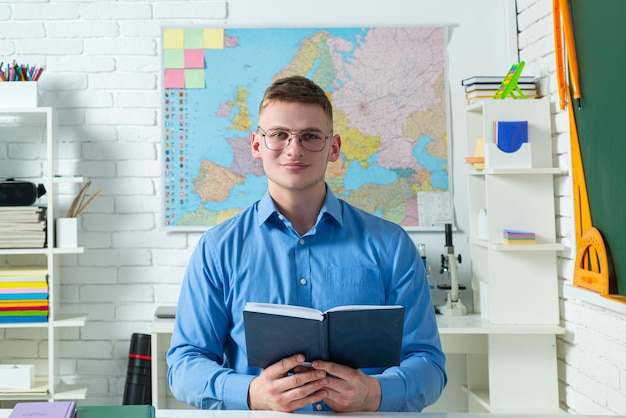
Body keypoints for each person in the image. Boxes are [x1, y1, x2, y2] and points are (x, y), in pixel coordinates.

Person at [167, 75, 447, 412]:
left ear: (334, 148)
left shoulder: (391, 245)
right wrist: (251, 393)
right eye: (279, 135)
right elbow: (184, 365)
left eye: (311, 136)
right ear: (257, 145)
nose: (294, 149)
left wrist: (375, 393)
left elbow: (428, 363)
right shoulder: (218, 249)